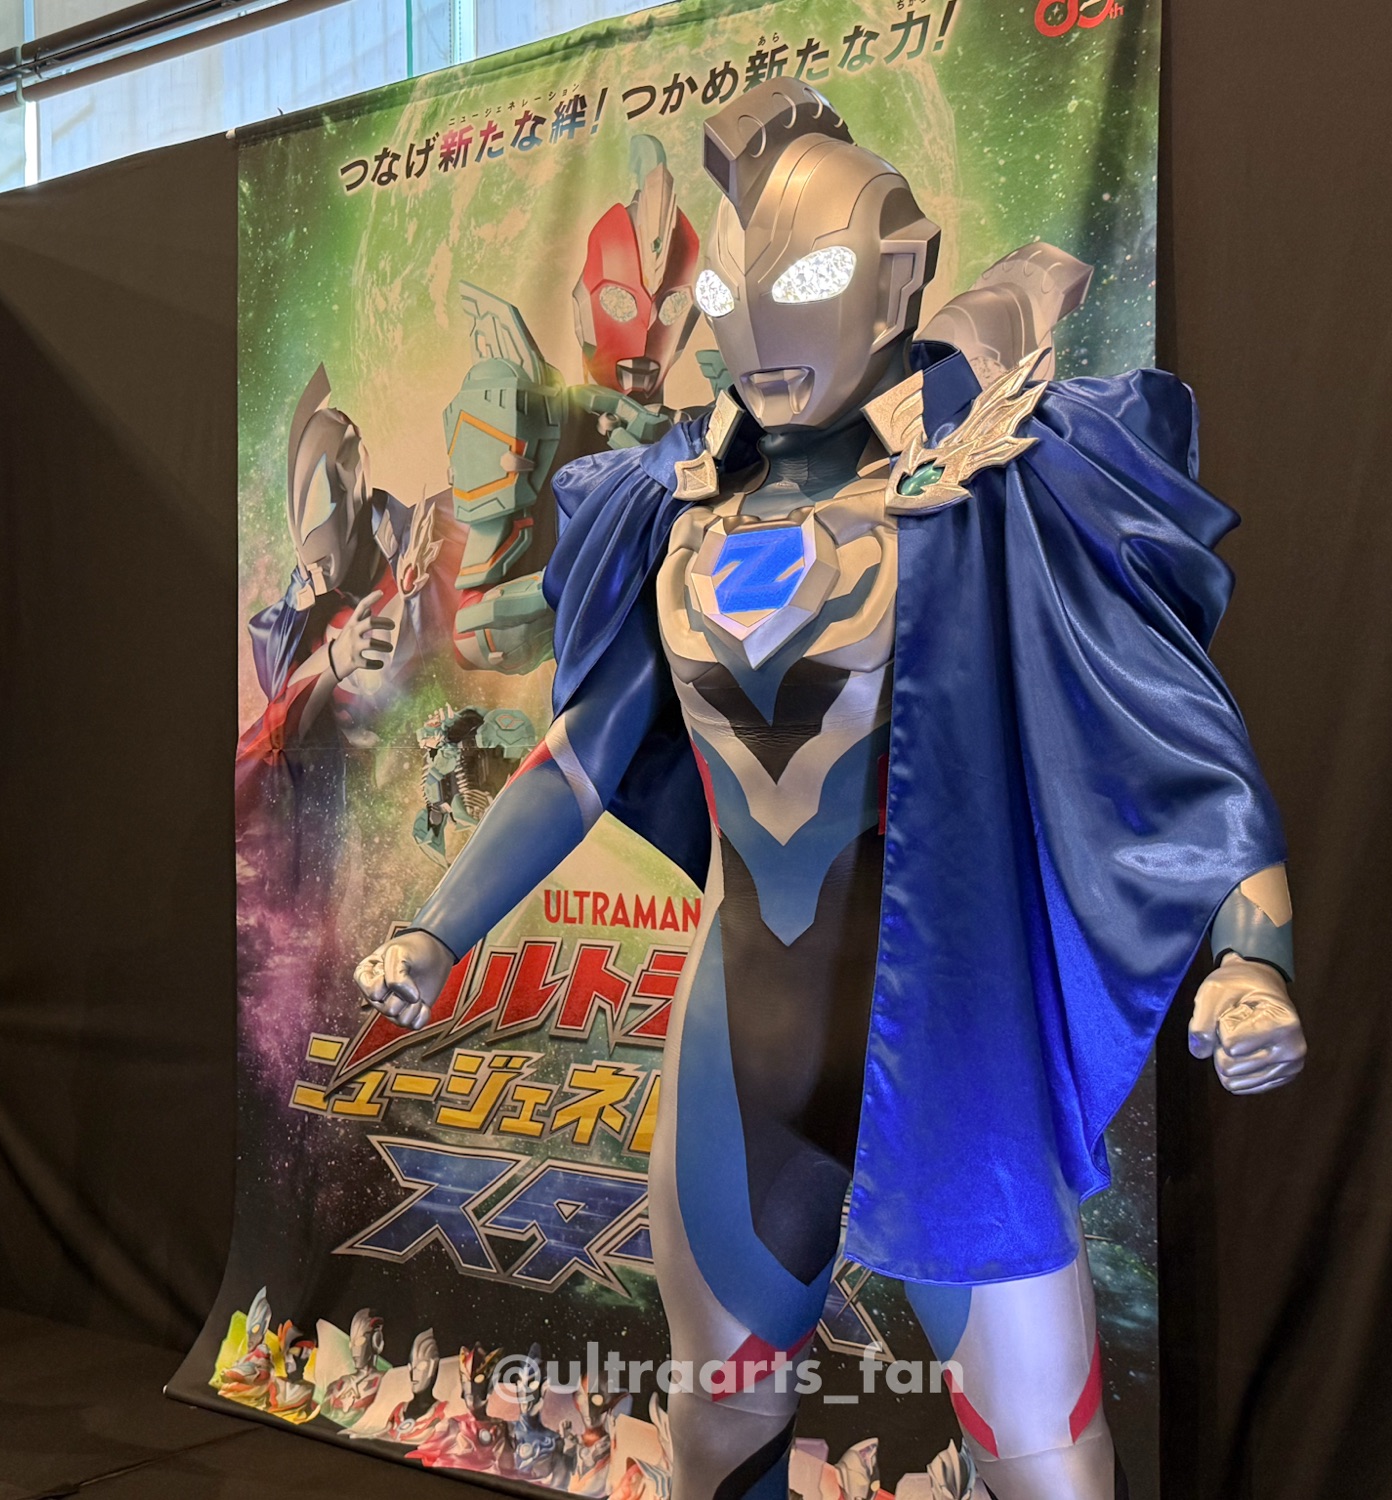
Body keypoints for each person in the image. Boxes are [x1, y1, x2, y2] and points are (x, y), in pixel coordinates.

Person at [357, 81, 1304, 1500]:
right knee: (719, 1427)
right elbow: (579, 754)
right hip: (739, 1054)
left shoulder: (994, 487)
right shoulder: (671, 512)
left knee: (1045, 1459)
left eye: (799, 284)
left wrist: (1252, 949)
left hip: (954, 1052)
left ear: (898, 274)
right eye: (730, 292)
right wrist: (439, 927)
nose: (757, 328)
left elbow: (1167, 734)